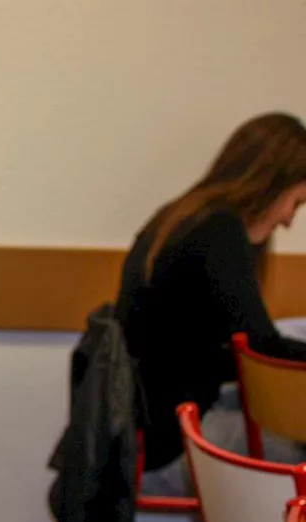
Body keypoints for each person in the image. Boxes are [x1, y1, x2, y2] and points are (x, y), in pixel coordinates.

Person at [115, 112, 306, 498]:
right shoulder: (218, 230)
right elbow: (258, 346)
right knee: (293, 459)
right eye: (296, 203)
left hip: (145, 432)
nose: (288, 220)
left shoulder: (182, 218)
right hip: (171, 440)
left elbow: (194, 352)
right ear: (271, 185)